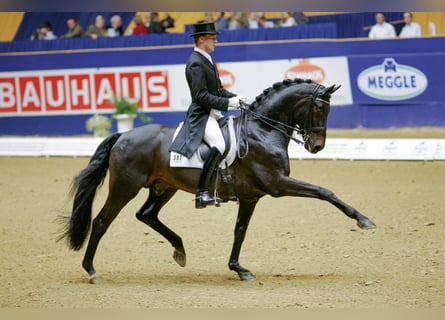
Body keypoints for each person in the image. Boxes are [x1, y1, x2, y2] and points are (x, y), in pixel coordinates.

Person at [168, 22, 246, 209]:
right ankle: (202, 192)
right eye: (213, 38)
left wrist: (236, 98)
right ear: (202, 39)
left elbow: (218, 90)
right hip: (202, 115)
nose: (216, 41)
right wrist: (228, 104)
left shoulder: (207, 59)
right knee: (219, 145)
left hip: (214, 113)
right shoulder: (195, 62)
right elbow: (200, 96)